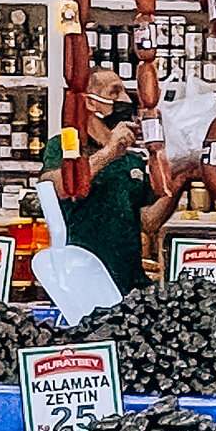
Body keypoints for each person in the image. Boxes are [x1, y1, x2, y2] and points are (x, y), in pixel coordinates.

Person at [64, 66, 155, 293]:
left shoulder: (132, 158)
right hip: (83, 278)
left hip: (130, 280)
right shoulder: (67, 144)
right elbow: (62, 188)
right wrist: (108, 153)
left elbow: (148, 221)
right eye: (115, 93)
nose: (125, 100)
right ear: (89, 102)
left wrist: (182, 177)